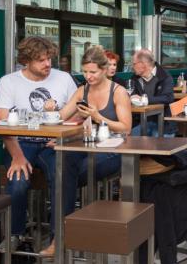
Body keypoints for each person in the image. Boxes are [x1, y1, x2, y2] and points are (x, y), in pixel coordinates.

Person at [38, 46, 131, 256]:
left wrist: (99, 118)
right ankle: (63, 235)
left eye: (93, 72)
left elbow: (125, 127)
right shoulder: (82, 91)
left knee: (63, 175)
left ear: (105, 69)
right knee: (62, 163)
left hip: (114, 149)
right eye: (85, 72)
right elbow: (63, 115)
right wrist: (51, 109)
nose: (88, 76)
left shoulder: (118, 92)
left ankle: (64, 236)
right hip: (88, 144)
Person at [0, 37, 77, 251]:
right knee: (18, 180)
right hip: (20, 143)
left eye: (49, 58)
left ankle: (59, 237)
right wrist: (17, 156)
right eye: (41, 60)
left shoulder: (64, 78)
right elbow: (3, 124)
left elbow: (79, 112)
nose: (48, 64)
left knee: (61, 176)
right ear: (26, 61)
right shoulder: (8, 82)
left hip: (53, 142)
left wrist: (63, 136)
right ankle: (15, 233)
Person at [128, 49, 175, 137]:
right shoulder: (134, 78)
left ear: (143, 64)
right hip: (141, 122)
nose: (132, 66)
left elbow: (168, 98)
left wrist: (144, 99)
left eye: (134, 64)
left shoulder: (164, 76)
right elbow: (132, 96)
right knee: (128, 141)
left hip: (163, 123)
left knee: (159, 147)